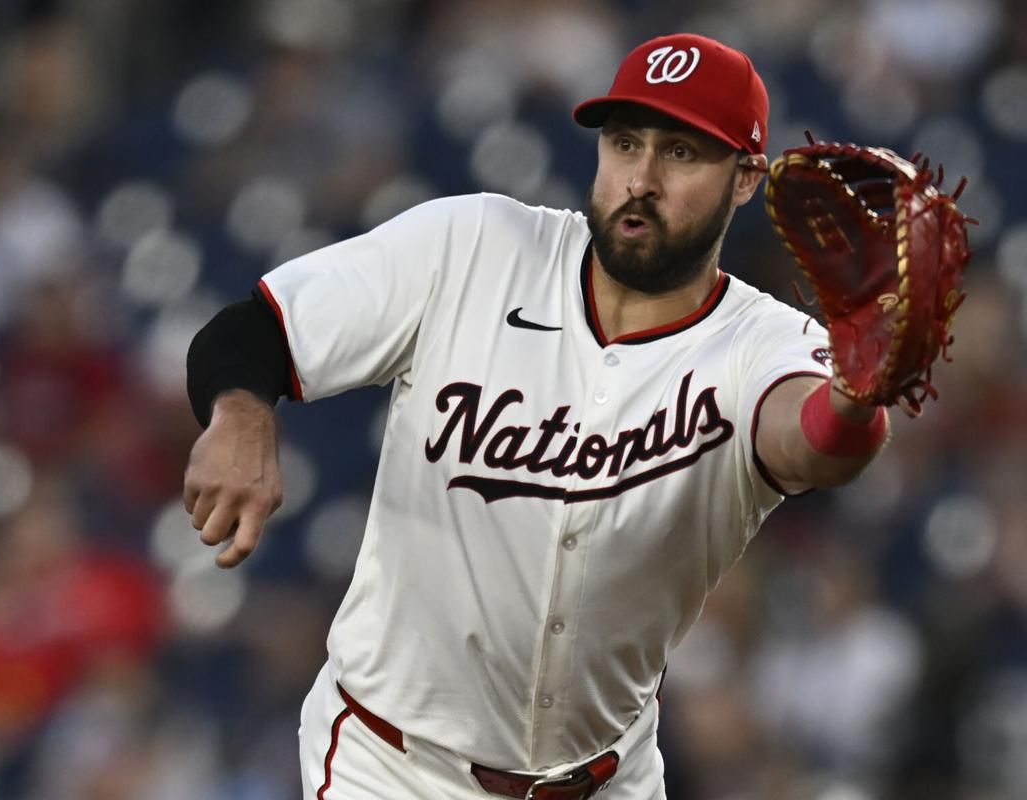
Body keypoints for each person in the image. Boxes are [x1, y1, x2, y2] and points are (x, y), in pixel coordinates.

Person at [183, 32, 890, 800]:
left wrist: (856, 404)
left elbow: (814, 440)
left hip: (604, 781)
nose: (641, 180)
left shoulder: (767, 343)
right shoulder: (473, 247)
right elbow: (252, 331)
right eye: (625, 143)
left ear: (745, 178)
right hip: (393, 769)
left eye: (681, 154)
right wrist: (241, 416)